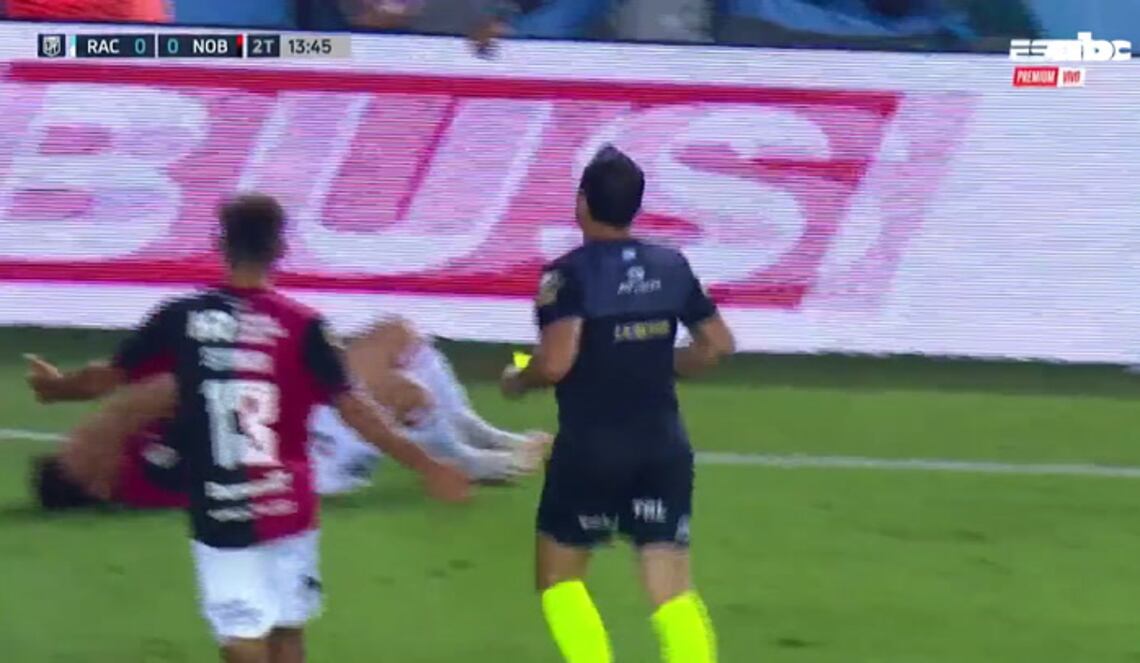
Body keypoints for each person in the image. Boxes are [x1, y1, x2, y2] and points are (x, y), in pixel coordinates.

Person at [51, 193, 470, 663]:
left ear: (219, 244)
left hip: (221, 508)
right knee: (287, 630)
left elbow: (107, 378)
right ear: (280, 248)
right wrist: (427, 466)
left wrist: (57, 387)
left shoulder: (180, 318)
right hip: (286, 505)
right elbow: (357, 410)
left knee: (241, 638)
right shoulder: (304, 326)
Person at [499, 145, 735, 663]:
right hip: (663, 447)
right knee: (671, 589)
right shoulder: (671, 265)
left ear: (582, 203)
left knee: (560, 581)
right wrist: (661, 363)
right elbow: (717, 345)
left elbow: (556, 362)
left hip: (592, 450)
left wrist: (518, 380)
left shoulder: (567, 275)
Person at [29, 318, 549, 510]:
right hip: (303, 455)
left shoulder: (125, 459)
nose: (78, 442)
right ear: (95, 485)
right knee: (398, 391)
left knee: (396, 335)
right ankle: (469, 461)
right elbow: (159, 392)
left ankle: (477, 432)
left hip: (288, 424)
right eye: (76, 455)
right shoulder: (143, 478)